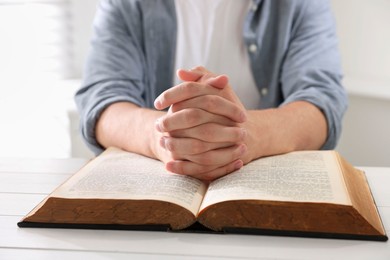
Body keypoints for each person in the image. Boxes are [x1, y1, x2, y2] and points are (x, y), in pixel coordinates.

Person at [75, 0, 348, 181]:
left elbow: (322, 103)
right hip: (160, 189)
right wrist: (163, 137)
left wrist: (248, 134)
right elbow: (102, 99)